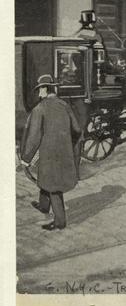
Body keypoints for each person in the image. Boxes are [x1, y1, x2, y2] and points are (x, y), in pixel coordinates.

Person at [20, 75, 82, 231]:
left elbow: (34, 137)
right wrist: (68, 144)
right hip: (64, 152)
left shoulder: (39, 109)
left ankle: (60, 221)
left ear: (45, 89)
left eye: (40, 89)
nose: (39, 93)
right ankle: (43, 205)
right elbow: (77, 130)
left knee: (53, 185)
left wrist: (26, 158)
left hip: (49, 153)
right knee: (47, 178)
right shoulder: (64, 105)